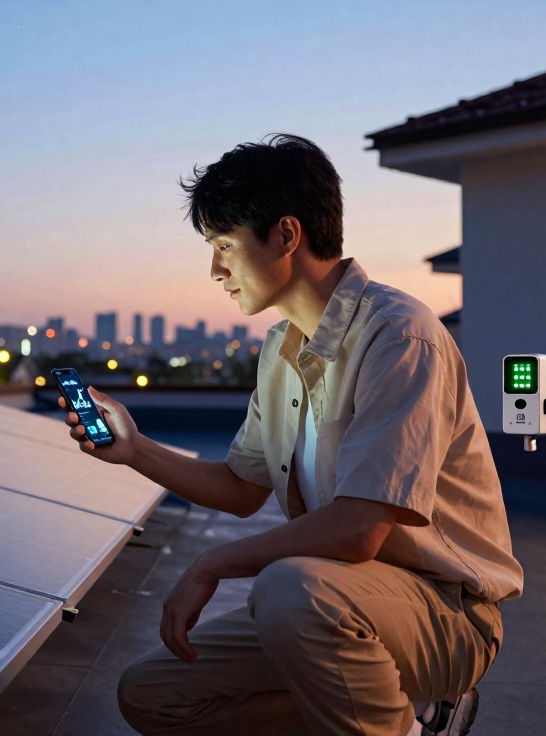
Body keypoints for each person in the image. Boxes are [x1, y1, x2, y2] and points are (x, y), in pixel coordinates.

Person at [56, 133, 522, 736]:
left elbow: (356, 530)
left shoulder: (401, 337)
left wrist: (211, 564)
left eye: (224, 245)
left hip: (446, 614)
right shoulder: (282, 349)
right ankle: (410, 713)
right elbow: (240, 488)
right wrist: (135, 449)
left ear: (286, 235)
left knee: (288, 589)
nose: (215, 270)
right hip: (335, 602)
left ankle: (412, 721)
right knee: (152, 695)